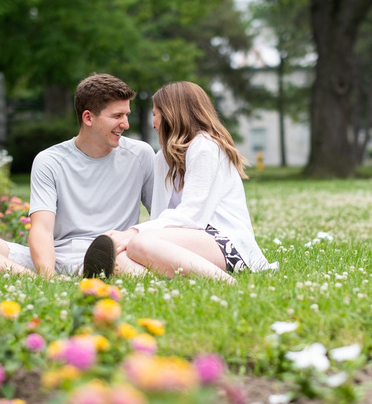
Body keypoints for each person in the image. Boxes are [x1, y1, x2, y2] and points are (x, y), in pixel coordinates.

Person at [0, 73, 154, 278]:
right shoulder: (49, 161)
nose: (125, 124)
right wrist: (48, 275)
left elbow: (163, 218)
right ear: (88, 117)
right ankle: (31, 279)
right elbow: (41, 228)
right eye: (117, 116)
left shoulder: (141, 155)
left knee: (134, 270)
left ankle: (85, 273)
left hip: (113, 256)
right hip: (55, 257)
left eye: (126, 115)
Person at [83, 81, 273, 284]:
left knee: (139, 242)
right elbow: (159, 214)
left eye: (155, 114)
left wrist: (133, 233)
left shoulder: (206, 147)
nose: (153, 123)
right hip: (186, 243)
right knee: (119, 255)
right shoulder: (162, 158)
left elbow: (193, 215)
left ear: (172, 114)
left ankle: (224, 282)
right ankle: (160, 284)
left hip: (225, 243)